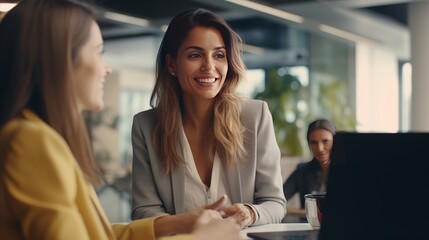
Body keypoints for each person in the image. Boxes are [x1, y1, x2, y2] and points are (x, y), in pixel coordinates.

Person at [0, 1, 242, 240]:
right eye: (98, 52)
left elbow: (97, 234)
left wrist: (178, 222)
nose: (106, 68)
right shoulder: (31, 140)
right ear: (60, 60)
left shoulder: (39, 136)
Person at [131, 7, 286, 232]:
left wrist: (249, 213)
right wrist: (185, 224)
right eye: (195, 55)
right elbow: (143, 209)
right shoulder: (146, 126)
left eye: (219, 55)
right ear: (172, 64)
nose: (209, 66)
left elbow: (275, 203)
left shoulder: (255, 116)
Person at [283, 119, 336, 209]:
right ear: (308, 145)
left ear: (336, 141)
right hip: (308, 223)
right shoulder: (302, 171)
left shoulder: (348, 172)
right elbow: (279, 198)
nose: (320, 148)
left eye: (325, 141)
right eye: (314, 143)